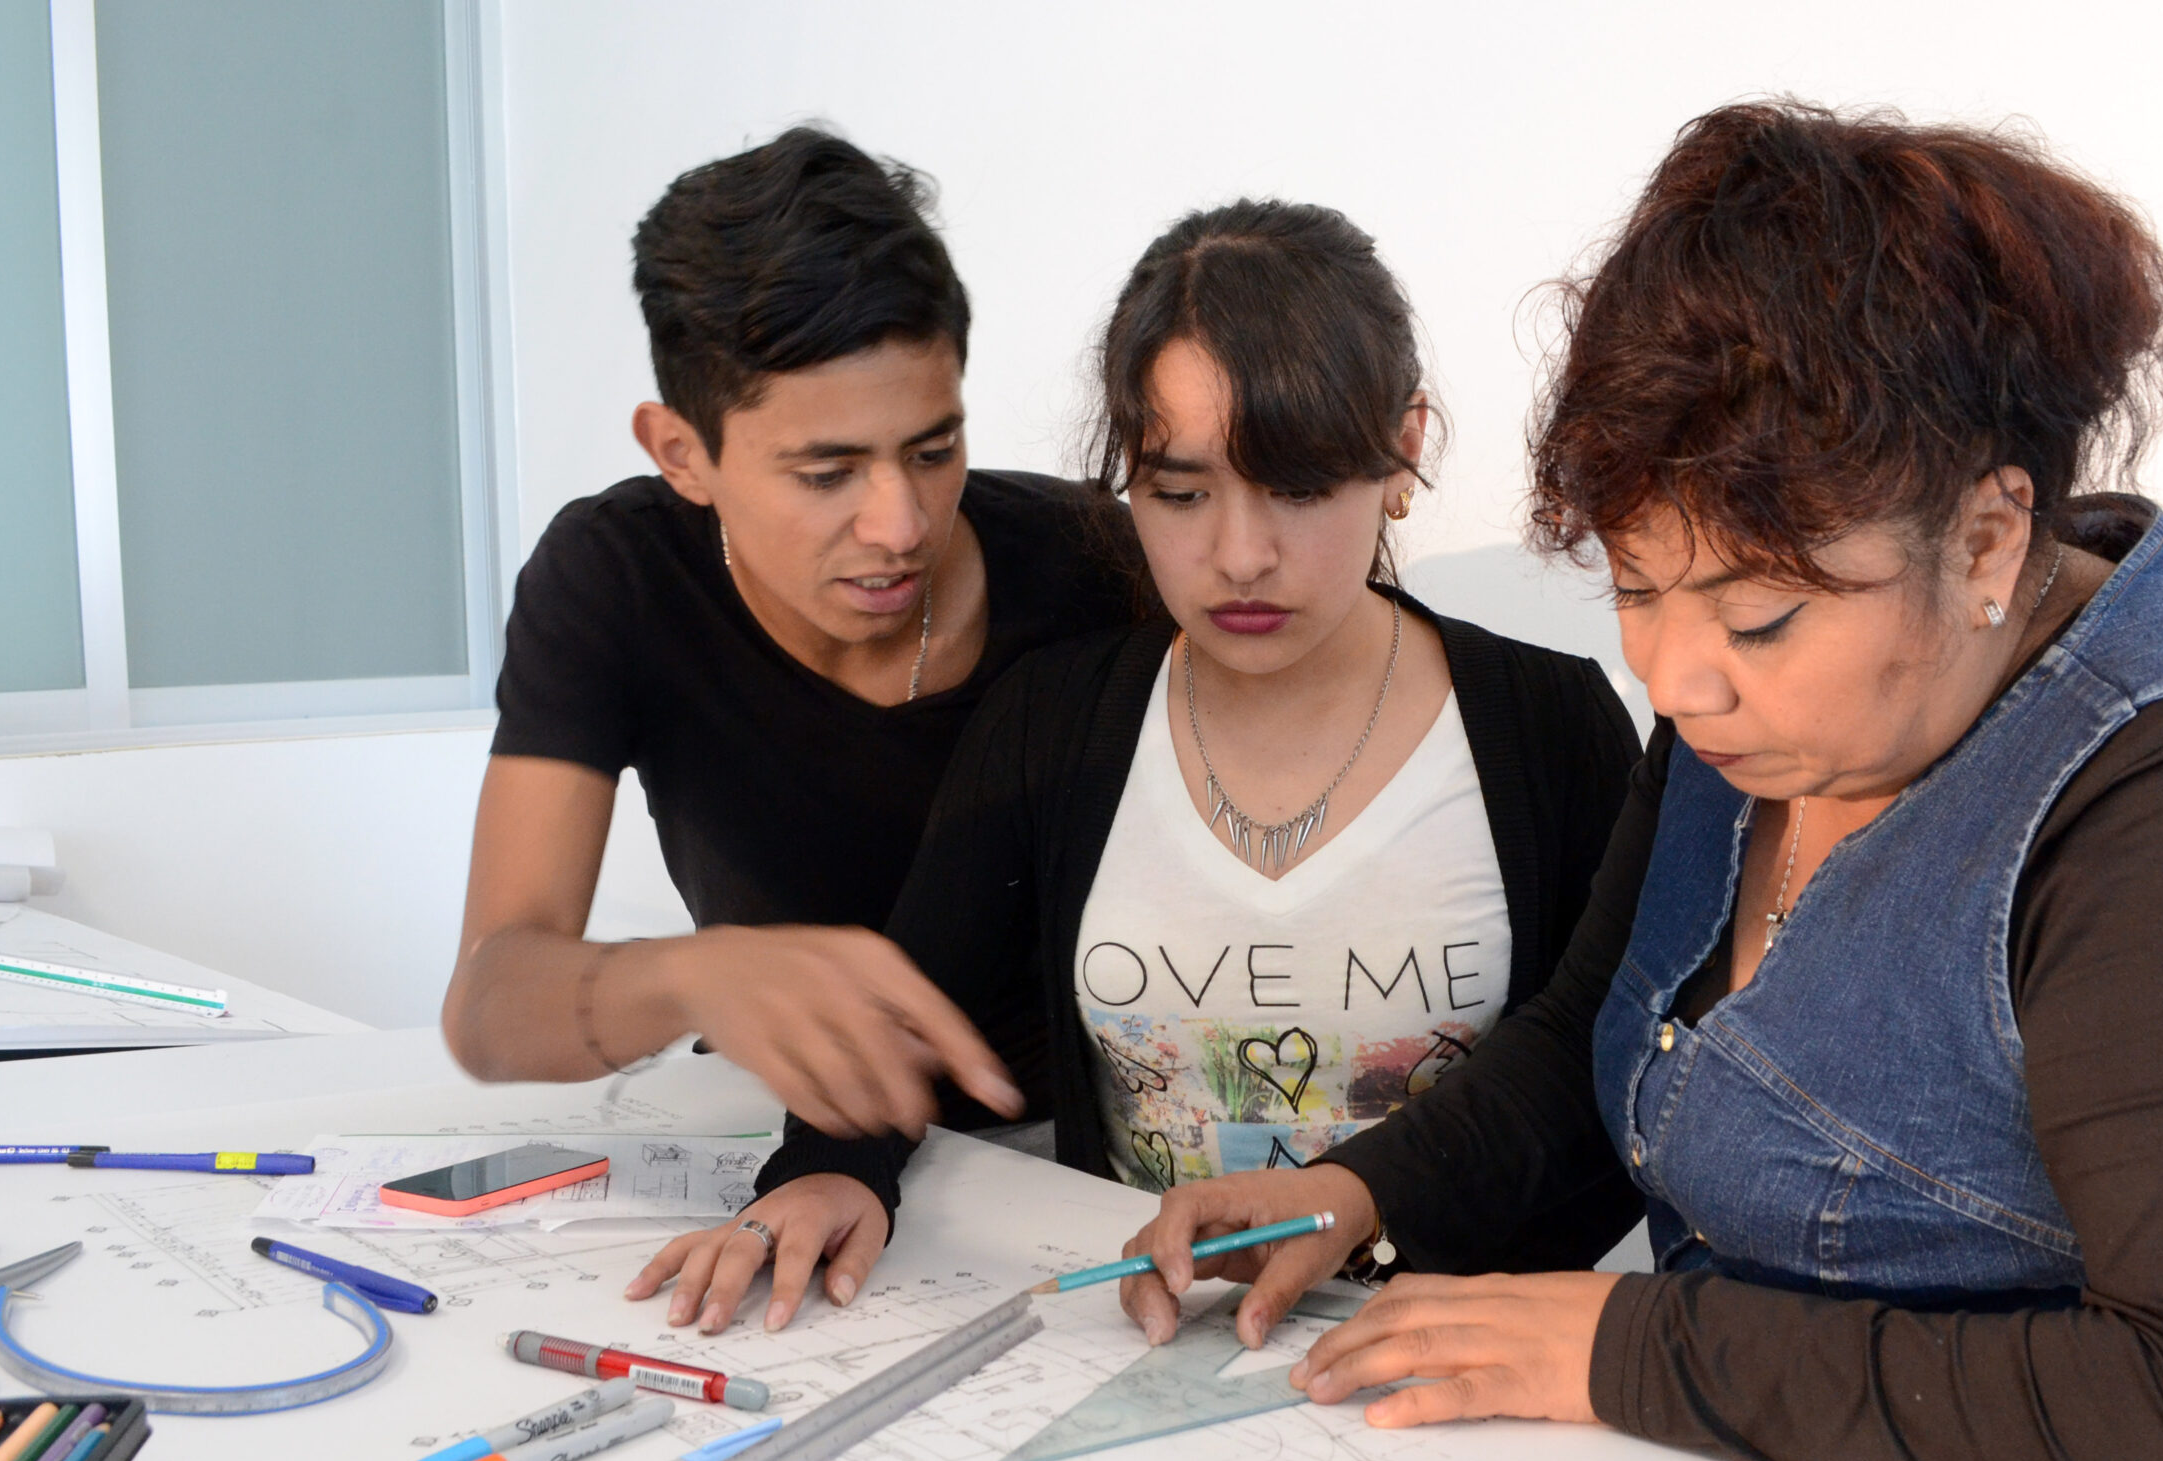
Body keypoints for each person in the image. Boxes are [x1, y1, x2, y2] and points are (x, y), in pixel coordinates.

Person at [1114, 104, 2163, 1461]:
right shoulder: (1759, 718)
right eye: (1634, 585)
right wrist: (1361, 1190)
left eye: (1760, 616)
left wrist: (1631, 1349)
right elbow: (1608, 1043)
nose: (1676, 677)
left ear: (1990, 536)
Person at [627, 201, 1644, 1335]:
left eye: (1297, 487)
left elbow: (1602, 1081)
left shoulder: (1549, 726)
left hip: (1449, 1356)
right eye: (1180, 492)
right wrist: (829, 1170)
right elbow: (908, 1009)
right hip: (1152, 1338)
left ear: (1402, 449)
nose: (1240, 556)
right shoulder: (1054, 722)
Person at [443, 128, 1137, 1263]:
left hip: (1059, 1166)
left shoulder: (1093, 570)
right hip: (776, 1139)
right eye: (826, 473)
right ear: (681, 454)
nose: (900, 526)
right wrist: (690, 977)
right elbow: (488, 1007)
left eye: (933, 450)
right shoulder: (618, 576)